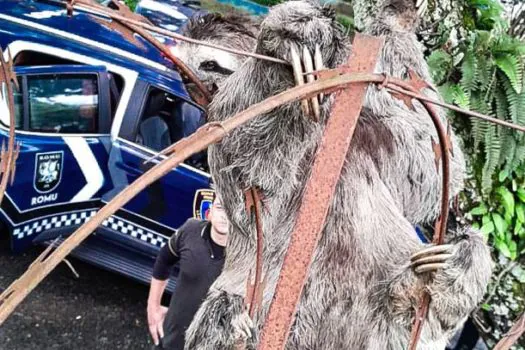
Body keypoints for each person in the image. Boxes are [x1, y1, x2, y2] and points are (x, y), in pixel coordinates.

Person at [147, 195, 229, 349]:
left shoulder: (246, 256)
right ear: (209, 212)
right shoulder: (190, 230)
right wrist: (153, 306)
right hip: (169, 342)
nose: (226, 215)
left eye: (232, 209)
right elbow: (164, 260)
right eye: (220, 207)